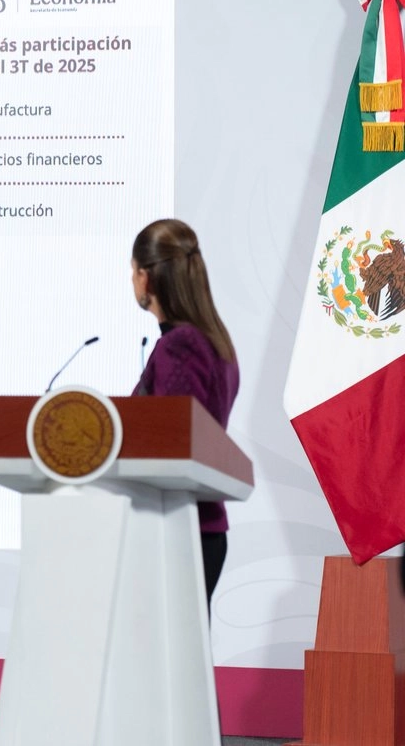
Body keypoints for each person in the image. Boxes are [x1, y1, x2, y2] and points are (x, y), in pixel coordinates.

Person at [130, 218, 239, 610]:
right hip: (196, 529)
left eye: (133, 271)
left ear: (146, 277)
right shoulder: (212, 340)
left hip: (179, 529)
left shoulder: (182, 345)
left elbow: (172, 441)